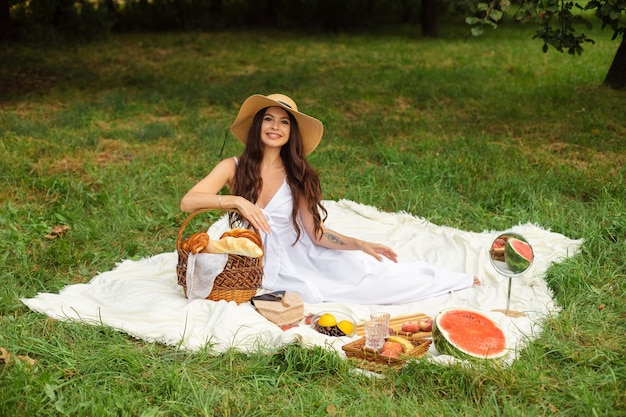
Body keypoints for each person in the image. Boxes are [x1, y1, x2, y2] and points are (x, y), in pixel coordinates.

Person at [181, 93, 479, 304]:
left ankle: (450, 280)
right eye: (268, 119)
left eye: (284, 122)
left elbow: (316, 233)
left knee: (372, 281)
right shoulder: (233, 167)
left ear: (290, 133)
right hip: (254, 259)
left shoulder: (296, 174)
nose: (275, 127)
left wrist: (360, 244)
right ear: (258, 125)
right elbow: (189, 202)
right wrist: (235, 201)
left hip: (300, 256)